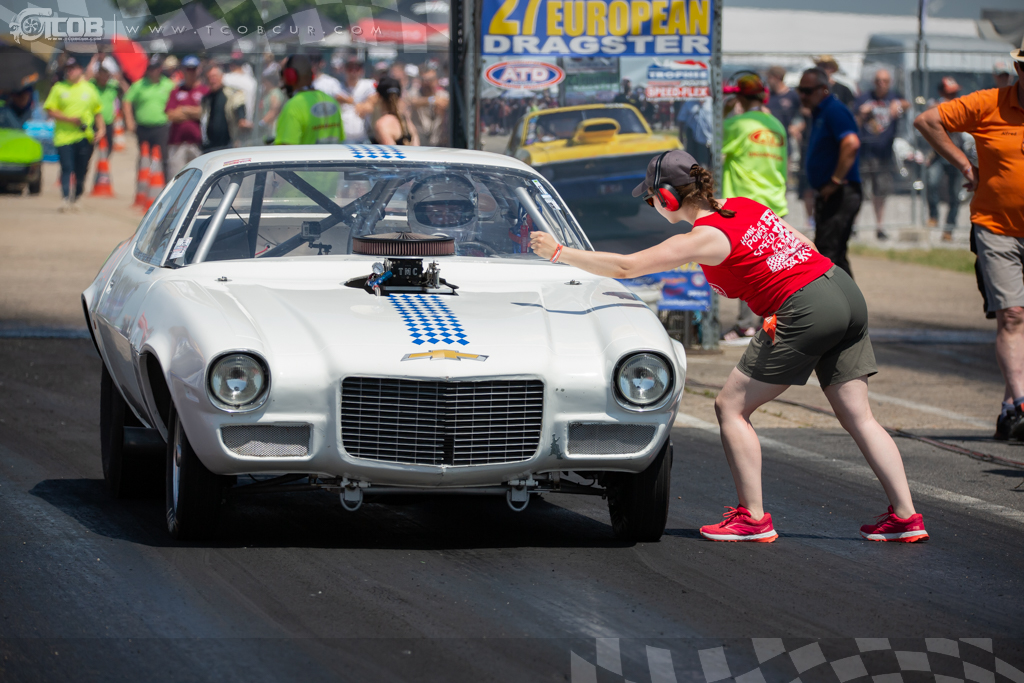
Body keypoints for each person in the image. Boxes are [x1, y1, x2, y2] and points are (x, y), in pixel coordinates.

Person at [529, 149, 928, 543]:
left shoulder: (704, 236)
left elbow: (626, 267)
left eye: (651, 199)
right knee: (859, 416)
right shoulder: (743, 206)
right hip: (841, 288)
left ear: (668, 196)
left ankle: (753, 519)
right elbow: (806, 245)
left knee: (730, 406)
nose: (651, 205)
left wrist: (559, 253)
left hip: (806, 305)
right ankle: (906, 516)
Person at [914, 45, 1024, 440]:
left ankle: (1010, 407)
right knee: (1012, 315)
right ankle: (1021, 404)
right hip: (996, 226)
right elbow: (927, 120)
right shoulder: (990, 103)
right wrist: (965, 165)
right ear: (1018, 68)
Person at [721, 73, 789, 340]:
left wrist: (723, 113)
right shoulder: (777, 125)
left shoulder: (737, 124)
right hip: (775, 206)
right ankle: (769, 324)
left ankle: (745, 325)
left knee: (746, 269)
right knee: (772, 269)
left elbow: (710, 145)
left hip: (746, 207)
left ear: (738, 97)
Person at [799, 68, 861, 278]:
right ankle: (849, 299)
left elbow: (851, 143)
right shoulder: (820, 112)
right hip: (832, 193)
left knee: (828, 255)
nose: (802, 96)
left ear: (823, 89)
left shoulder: (834, 110)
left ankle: (835, 299)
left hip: (841, 193)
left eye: (807, 91)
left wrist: (835, 181)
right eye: (800, 90)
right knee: (835, 255)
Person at [852, 69, 909, 240]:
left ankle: (879, 226)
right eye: (878, 81)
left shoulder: (894, 97)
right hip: (864, 152)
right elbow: (853, 122)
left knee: (881, 192)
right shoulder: (864, 98)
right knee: (859, 191)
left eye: (885, 81)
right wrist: (862, 113)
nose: (881, 84)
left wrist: (898, 105)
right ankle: (854, 226)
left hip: (883, 153)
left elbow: (909, 104)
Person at [43, 57, 104, 212]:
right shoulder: (59, 88)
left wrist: (101, 129)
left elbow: (97, 112)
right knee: (66, 167)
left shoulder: (89, 88)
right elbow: (50, 109)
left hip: (84, 136)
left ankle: (77, 196)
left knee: (81, 169)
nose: (70, 72)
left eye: (73, 69)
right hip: (63, 136)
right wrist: (69, 119)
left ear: (80, 70)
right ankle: (65, 198)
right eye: (67, 69)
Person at [924, 77, 971, 239]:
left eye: (954, 93)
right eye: (949, 94)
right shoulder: (935, 104)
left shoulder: (960, 105)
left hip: (956, 153)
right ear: (941, 93)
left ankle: (949, 228)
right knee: (931, 182)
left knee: (955, 193)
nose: (953, 97)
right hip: (938, 154)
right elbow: (929, 112)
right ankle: (933, 215)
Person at [273, 55, 343, 145]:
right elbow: (340, 139)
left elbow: (285, 148)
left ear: (290, 76)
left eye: (282, 74)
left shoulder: (293, 106)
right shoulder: (331, 101)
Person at [124, 56, 175, 178]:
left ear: (160, 69)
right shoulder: (139, 85)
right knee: (144, 157)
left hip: (162, 126)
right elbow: (127, 101)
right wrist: (129, 120)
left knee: (163, 156)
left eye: (155, 68)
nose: (153, 71)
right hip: (143, 127)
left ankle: (164, 181)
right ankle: (143, 182)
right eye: (151, 68)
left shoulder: (168, 84)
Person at [165, 55, 207, 178]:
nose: (190, 73)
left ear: (198, 70)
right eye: (188, 69)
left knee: (199, 178)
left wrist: (183, 109)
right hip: (178, 142)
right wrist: (193, 113)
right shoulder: (176, 91)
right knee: (177, 178)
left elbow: (203, 113)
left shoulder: (204, 91)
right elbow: (171, 115)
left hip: (197, 142)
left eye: (193, 69)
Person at [200, 65, 250, 152]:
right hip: (210, 145)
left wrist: (241, 119)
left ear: (221, 76)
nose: (212, 80)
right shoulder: (206, 99)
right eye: (209, 78)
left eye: (214, 77)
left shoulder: (232, 94)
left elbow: (239, 105)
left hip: (228, 144)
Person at [334, 58, 378, 144]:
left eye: (357, 69)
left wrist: (367, 105)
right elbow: (336, 97)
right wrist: (355, 103)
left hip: (363, 139)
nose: (353, 72)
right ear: (345, 70)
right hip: (342, 140)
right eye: (350, 69)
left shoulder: (368, 84)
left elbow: (375, 99)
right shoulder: (338, 86)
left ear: (361, 71)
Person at [406, 68, 449, 147]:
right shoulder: (415, 92)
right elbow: (412, 102)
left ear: (436, 80)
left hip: (437, 140)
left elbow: (445, 102)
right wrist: (432, 100)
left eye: (431, 80)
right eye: (425, 80)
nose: (427, 83)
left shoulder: (442, 94)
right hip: (419, 140)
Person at [765, 65, 801, 159]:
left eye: (769, 77)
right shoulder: (767, 96)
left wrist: (797, 127)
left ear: (777, 77)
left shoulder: (793, 96)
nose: (767, 81)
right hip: (767, 141)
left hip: (785, 142)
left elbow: (805, 114)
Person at [371, 77, 418, 146]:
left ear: (378, 97)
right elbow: (417, 148)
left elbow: (392, 151)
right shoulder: (408, 123)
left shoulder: (382, 125)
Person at [676, 96, 713, 168]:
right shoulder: (689, 102)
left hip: (710, 136)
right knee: (695, 159)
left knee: (710, 160)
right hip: (693, 136)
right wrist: (680, 135)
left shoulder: (711, 101)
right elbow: (681, 120)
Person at [256, 64, 285, 142]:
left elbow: (273, 112)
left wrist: (261, 123)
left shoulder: (275, 93)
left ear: (269, 82)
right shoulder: (268, 93)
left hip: (273, 131)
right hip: (267, 131)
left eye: (264, 82)